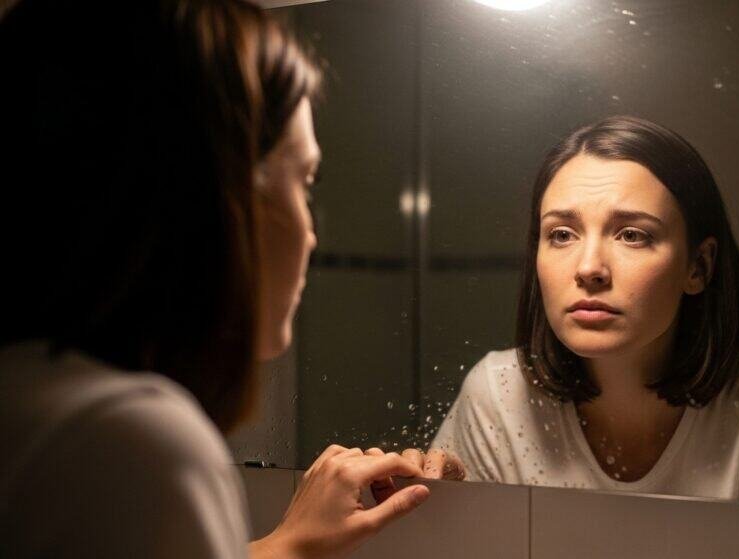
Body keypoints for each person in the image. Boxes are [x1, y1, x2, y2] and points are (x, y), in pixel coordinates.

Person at [0, 1, 459, 557]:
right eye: (304, 181)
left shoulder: (33, 402)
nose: (311, 232)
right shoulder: (126, 444)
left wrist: (286, 545)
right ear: (216, 199)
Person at [431, 115, 739, 505]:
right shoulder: (499, 393)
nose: (589, 268)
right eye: (561, 234)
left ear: (698, 266)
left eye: (632, 235)